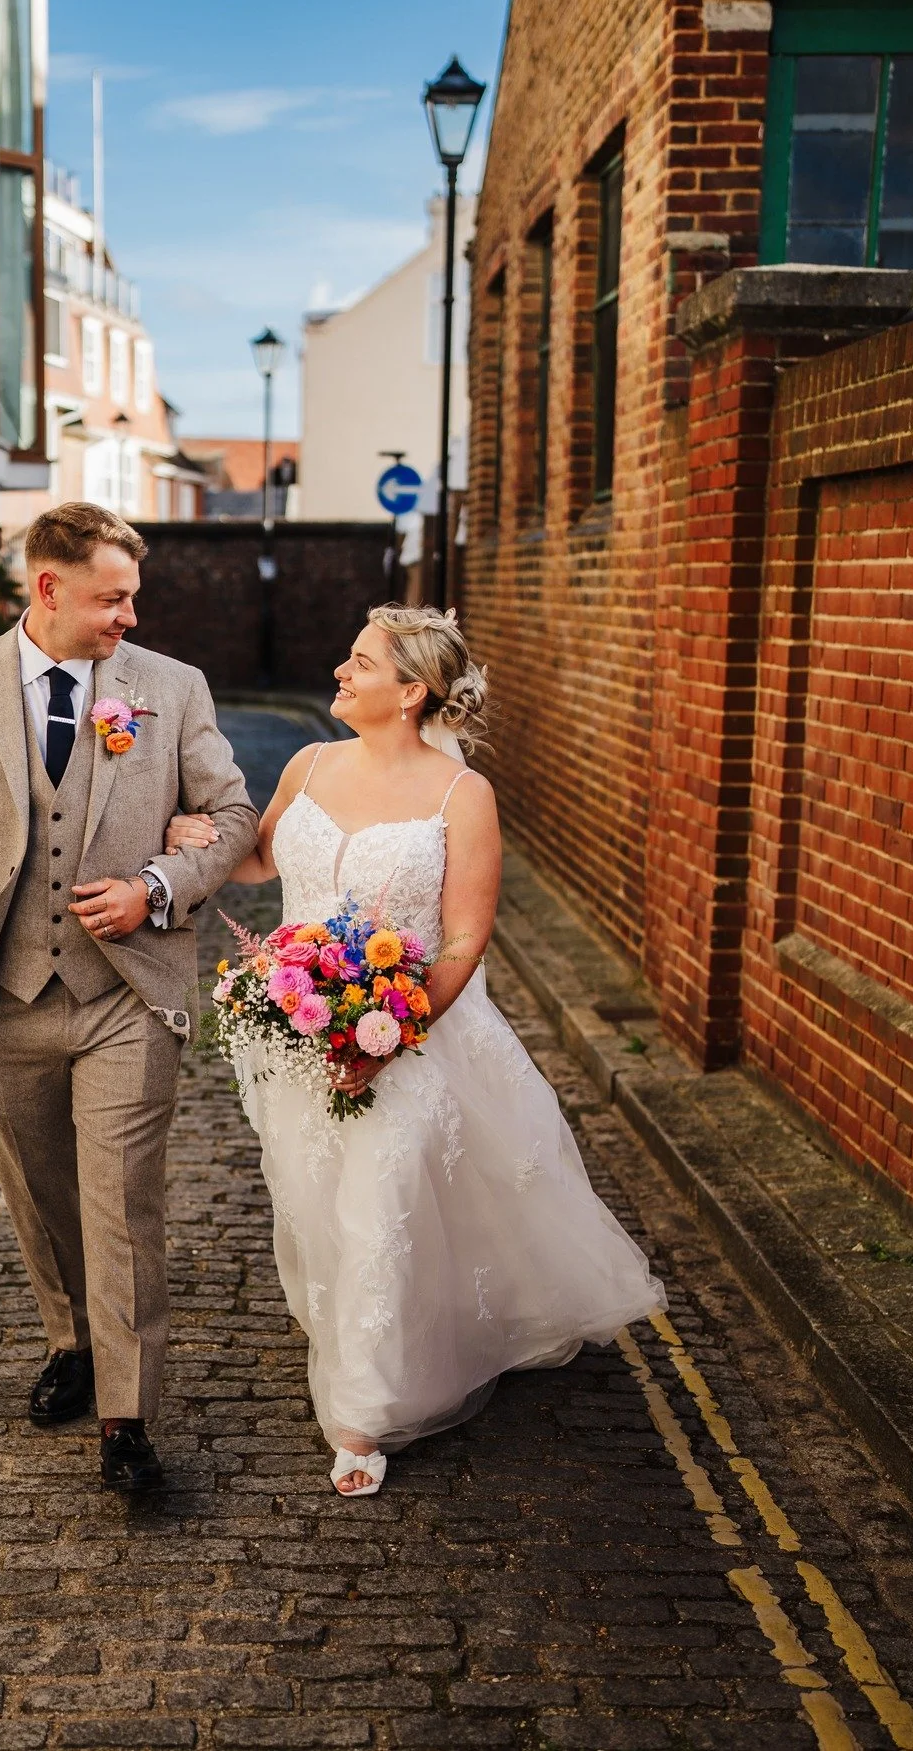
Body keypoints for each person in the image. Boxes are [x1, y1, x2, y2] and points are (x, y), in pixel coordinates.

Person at [164, 605, 665, 1495]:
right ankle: (359, 1327)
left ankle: (362, 1414)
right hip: (300, 1029)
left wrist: (389, 1032)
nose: (340, 671)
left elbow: (465, 937)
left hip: (407, 1035)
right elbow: (258, 864)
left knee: (380, 1202)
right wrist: (195, 837)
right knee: (314, 1191)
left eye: (360, 662)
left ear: (409, 692)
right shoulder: (308, 764)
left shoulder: (460, 795)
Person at [0, 503, 258, 1492]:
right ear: (48, 588)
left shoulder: (169, 688)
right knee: (40, 1192)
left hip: (125, 994)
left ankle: (126, 1418)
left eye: (132, 596)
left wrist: (157, 887)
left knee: (122, 1202)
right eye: (112, 597)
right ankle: (71, 1339)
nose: (129, 616)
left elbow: (232, 813)